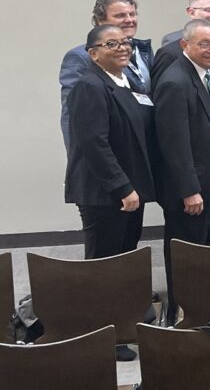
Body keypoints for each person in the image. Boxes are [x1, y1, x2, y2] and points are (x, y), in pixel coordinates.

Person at [153, 19, 210, 324]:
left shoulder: (204, 75)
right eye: (205, 44)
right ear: (185, 45)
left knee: (204, 253)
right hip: (192, 191)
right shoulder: (175, 81)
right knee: (186, 256)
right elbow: (174, 144)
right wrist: (189, 189)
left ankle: (202, 308)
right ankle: (181, 313)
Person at [65, 24, 157, 259]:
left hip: (130, 188)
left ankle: (125, 297)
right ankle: (98, 298)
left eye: (126, 43)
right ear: (93, 53)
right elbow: (95, 144)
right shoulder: (89, 86)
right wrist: (122, 188)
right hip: (106, 193)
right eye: (111, 44)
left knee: (126, 255)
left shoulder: (126, 83)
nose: (122, 48)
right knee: (105, 262)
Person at [60, 0, 154, 149]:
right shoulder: (81, 57)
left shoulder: (143, 51)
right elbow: (72, 116)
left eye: (132, 14)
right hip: (112, 147)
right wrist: (78, 160)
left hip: (144, 145)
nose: (129, 20)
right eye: (120, 16)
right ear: (99, 21)